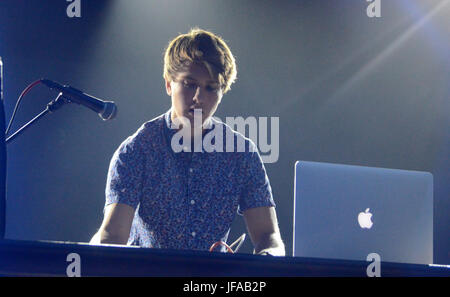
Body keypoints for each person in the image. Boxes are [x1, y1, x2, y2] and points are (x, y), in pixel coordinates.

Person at [90, 28, 285, 256]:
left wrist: (270, 257)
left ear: (223, 91)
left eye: (211, 87)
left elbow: (268, 237)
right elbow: (112, 235)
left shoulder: (242, 154)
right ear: (169, 84)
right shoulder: (137, 150)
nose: (198, 98)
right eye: (189, 84)